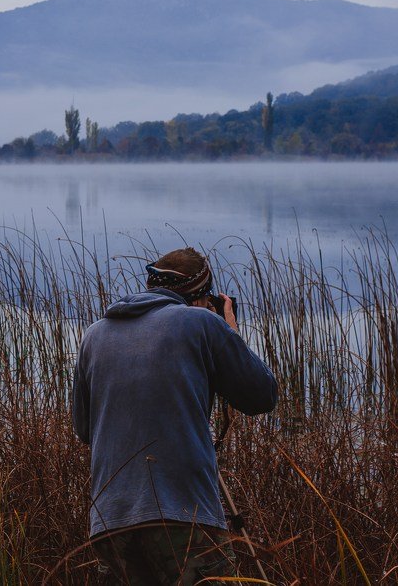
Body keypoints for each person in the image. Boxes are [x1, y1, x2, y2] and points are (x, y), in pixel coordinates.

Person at [72, 247, 278, 584]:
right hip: (183, 514)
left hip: (111, 521)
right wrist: (229, 331)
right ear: (199, 296)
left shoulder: (94, 334)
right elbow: (261, 396)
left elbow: (84, 429)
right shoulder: (202, 322)